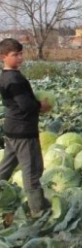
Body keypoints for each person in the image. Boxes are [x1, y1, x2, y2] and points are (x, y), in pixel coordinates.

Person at [0, 38, 51, 218]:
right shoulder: (14, 79)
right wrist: (41, 106)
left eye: (21, 53)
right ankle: (38, 212)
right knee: (32, 171)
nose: (20, 57)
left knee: (5, 168)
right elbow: (25, 105)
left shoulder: (6, 76)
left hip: (12, 130)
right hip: (23, 132)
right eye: (15, 55)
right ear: (3, 57)